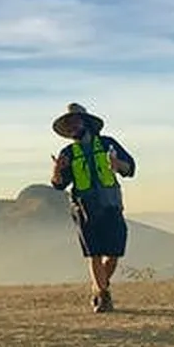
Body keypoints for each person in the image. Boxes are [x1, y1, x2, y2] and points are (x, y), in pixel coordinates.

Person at [50, 103, 136, 313]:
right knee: (94, 253)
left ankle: (98, 287)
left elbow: (130, 167)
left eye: (75, 121)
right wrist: (57, 171)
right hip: (84, 208)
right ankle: (104, 296)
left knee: (114, 253)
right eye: (68, 124)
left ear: (85, 122)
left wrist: (117, 165)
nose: (72, 127)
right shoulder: (68, 153)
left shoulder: (108, 144)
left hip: (111, 205)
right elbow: (59, 184)